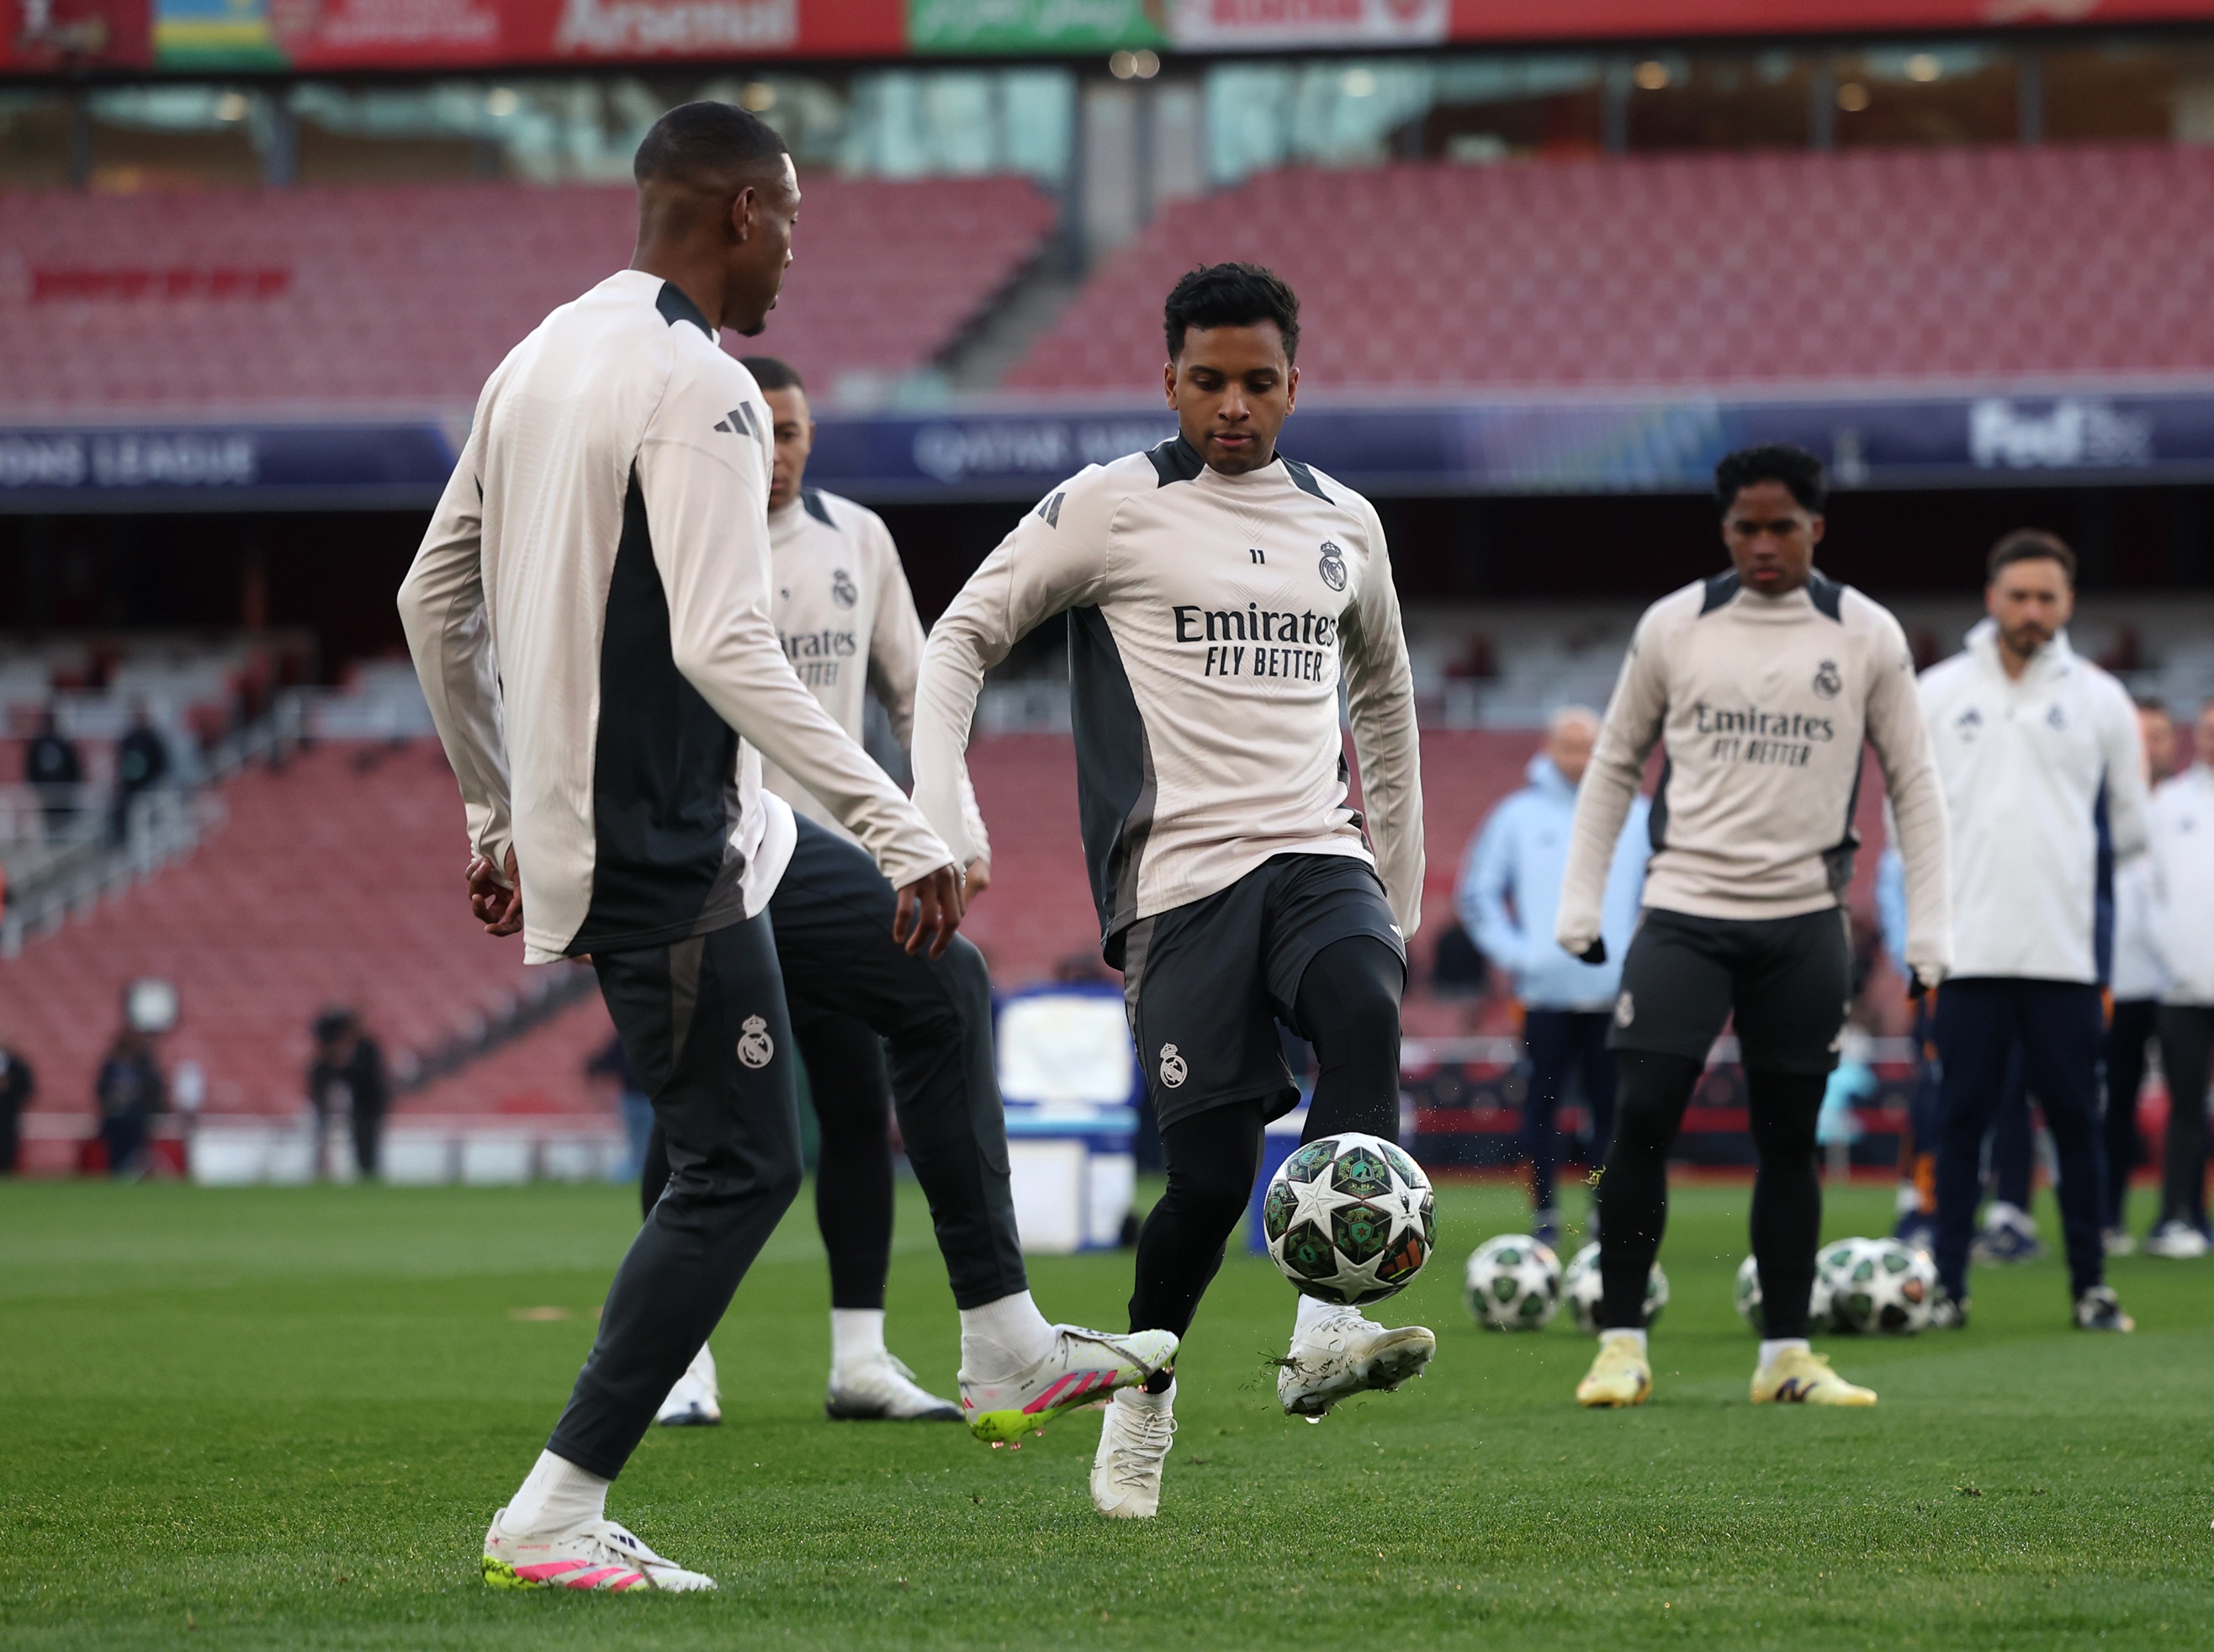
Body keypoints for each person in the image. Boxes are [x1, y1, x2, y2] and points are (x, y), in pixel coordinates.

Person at [397, 102, 1166, 1595]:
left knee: (939, 990)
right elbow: (721, 640)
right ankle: (555, 1506)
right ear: (742, 211)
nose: (796, 255)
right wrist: (898, 820)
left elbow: (435, 599)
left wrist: (495, 802)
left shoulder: (537, 356)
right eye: (795, 221)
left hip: (716, 822)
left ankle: (1003, 1337)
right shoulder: (705, 387)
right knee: (739, 1164)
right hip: (663, 841)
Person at [912, 262, 1427, 1522]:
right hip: (1181, 888)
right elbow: (958, 639)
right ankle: (1143, 1407)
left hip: (1318, 854)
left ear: (1296, 384)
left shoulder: (1345, 523)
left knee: (1364, 1003)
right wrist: (942, 813)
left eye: (1260, 382)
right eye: (1210, 381)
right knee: (1203, 1185)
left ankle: (1321, 1331)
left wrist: (1396, 895)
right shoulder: (1109, 507)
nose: (1235, 405)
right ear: (1169, 382)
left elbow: (1387, 702)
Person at [1556, 442, 1950, 1411]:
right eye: (1745, 526)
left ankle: (1785, 1352)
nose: (1764, 543)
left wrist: (1929, 929)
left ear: (1817, 526)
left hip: (1804, 921)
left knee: (1789, 1134)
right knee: (1641, 1116)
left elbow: (1915, 784)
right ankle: (1618, 1343)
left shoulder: (1865, 633)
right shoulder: (1675, 624)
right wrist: (1580, 900)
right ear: (1723, 528)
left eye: (1782, 525)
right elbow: (1613, 764)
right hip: (1684, 909)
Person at [644, 353, 997, 1427]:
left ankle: (859, 1358)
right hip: (712, 872)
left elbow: (916, 688)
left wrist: (952, 826)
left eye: (795, 430)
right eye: (764, 430)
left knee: (853, 1108)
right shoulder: (678, 538)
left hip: (834, 870)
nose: (782, 450)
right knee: (694, 1120)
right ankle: (681, 1362)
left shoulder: (860, 541)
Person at [1918, 529, 2147, 1332]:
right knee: (1959, 1124)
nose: (2032, 611)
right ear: (1991, 598)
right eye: (2018, 595)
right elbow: (1907, 816)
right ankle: (1948, 1287)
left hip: (2064, 955)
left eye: (2047, 597)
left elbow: (2131, 829)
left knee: (2077, 1124)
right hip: (1966, 952)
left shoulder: (2101, 698)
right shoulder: (1938, 693)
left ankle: (2090, 1286)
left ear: (2069, 603)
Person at [1457, 705, 1646, 1247]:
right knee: (1541, 1107)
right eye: (1569, 745)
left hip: (1613, 994)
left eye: (1590, 745)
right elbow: (1478, 894)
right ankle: (1545, 1212)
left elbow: (1658, 893)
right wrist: (1521, 955)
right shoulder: (1516, 816)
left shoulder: (1634, 814)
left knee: (1609, 1112)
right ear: (1550, 748)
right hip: (1542, 995)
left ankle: (1601, 1204)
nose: (1580, 757)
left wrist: (1634, 957)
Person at [2103, 696, 2175, 1252]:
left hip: (2180, 983)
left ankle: (2184, 1215)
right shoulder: (2099, 807)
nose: (2148, 746)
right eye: (2139, 735)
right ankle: (2109, 1215)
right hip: (2119, 981)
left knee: (2189, 1100)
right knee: (2116, 1099)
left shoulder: (2185, 809)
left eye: (2158, 735)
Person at [2144, 697, 2214, 1257]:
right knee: (2185, 1107)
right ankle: (2176, 1216)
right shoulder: (2167, 803)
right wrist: (2180, 964)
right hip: (2182, 989)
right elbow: (2152, 896)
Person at [307, 1007, 389, 1180]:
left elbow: (368, 1076)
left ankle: (368, 1174)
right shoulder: (348, 1049)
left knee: (367, 1144)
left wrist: (343, 1068)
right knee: (356, 1143)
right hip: (359, 1106)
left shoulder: (365, 1047)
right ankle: (356, 1173)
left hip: (368, 1105)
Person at [93, 1025, 166, 1178]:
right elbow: (101, 1089)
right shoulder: (111, 1065)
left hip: (135, 1119)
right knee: (117, 1155)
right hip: (115, 1119)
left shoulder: (142, 1064)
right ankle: (119, 1179)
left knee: (135, 1155)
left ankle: (134, 1179)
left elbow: (154, 1088)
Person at [110, 704, 170, 844]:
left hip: (149, 789)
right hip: (130, 790)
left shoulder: (153, 739)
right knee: (122, 812)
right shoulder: (127, 739)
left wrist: (153, 784)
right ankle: (121, 840)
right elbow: (120, 762)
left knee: (148, 817)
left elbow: (162, 764)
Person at [24, 707, 82, 834]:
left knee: (65, 826)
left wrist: (71, 788)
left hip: (63, 792)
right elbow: (30, 767)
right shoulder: (37, 744)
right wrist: (37, 789)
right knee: (49, 825)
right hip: (45, 792)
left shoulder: (63, 743)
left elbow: (74, 767)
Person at [0, 1038, 33, 1174]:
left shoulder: (18, 1067)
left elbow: (27, 1089)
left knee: (8, 1140)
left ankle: (7, 1168)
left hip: (10, 1111)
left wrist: (9, 1090)